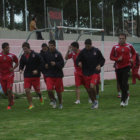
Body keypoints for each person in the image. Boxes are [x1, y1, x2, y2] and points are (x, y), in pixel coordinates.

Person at [76, 39, 105, 109]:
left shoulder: (96, 51)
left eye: (88, 46)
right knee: (89, 90)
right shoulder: (82, 52)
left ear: (91, 45)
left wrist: (99, 65)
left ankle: (96, 100)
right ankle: (94, 102)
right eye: (86, 46)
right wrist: (79, 63)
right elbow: (77, 59)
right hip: (86, 73)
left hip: (95, 72)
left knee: (92, 86)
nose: (87, 47)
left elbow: (102, 60)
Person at [110, 33, 136, 107]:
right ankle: (126, 96)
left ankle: (123, 100)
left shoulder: (129, 46)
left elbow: (134, 54)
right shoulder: (115, 47)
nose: (121, 40)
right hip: (118, 67)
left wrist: (132, 59)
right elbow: (111, 57)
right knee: (121, 84)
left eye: (123, 38)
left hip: (127, 66)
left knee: (124, 83)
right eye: (120, 38)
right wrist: (117, 59)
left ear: (125, 39)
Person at [19, 42, 44, 109]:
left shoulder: (36, 55)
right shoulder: (23, 56)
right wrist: (21, 69)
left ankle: (40, 97)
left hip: (35, 76)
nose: (24, 50)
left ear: (29, 48)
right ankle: (31, 104)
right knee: (27, 90)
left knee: (37, 91)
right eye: (23, 49)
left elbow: (42, 63)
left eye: (25, 49)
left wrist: (37, 70)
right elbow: (21, 64)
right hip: (27, 75)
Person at [43, 40, 64, 109]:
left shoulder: (58, 54)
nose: (50, 47)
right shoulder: (46, 54)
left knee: (58, 91)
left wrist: (56, 64)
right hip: (49, 74)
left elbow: (62, 64)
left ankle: (60, 103)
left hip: (58, 75)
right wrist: (45, 65)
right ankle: (53, 100)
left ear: (54, 46)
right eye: (49, 45)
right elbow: (44, 62)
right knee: (49, 89)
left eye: (51, 45)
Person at [0, 42, 18, 109]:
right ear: (3, 49)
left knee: (9, 90)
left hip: (10, 75)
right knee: (5, 93)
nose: (8, 49)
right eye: (7, 48)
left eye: (8, 48)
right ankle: (12, 97)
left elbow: (17, 62)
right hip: (2, 76)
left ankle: (10, 104)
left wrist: (13, 68)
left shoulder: (12, 56)